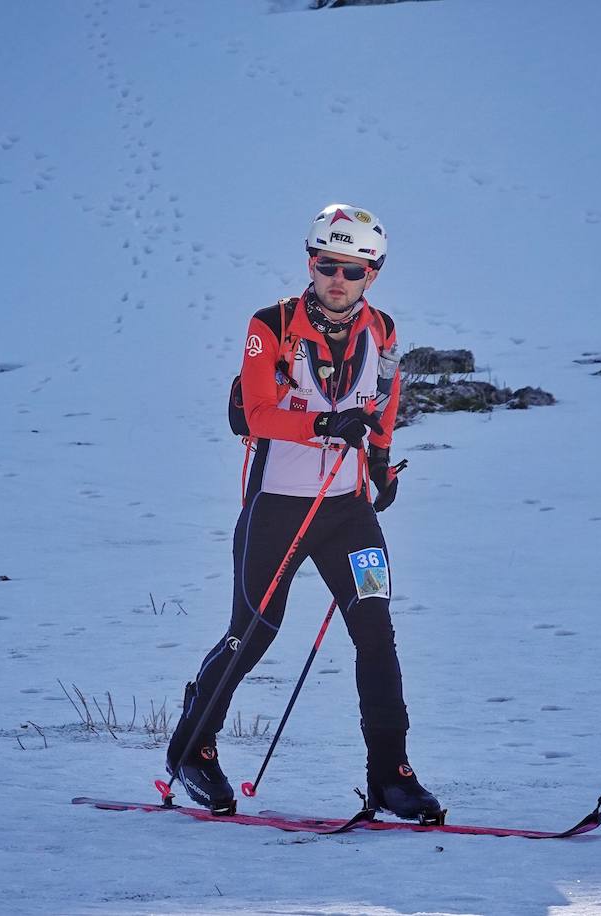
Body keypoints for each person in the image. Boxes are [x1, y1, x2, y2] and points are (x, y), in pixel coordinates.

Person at [166, 203, 441, 822]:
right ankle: (192, 748)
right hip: (280, 509)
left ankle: (392, 777)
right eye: (326, 265)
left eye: (353, 269)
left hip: (348, 513)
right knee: (255, 630)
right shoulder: (272, 325)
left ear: (373, 273)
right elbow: (259, 412)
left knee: (376, 631)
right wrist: (322, 423)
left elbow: (385, 404)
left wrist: (379, 467)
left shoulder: (387, 332)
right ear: (310, 263)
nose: (338, 279)